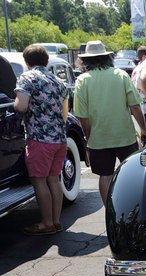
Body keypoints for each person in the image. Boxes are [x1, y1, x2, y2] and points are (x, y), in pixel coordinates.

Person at [73, 40, 146, 206]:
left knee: (105, 176)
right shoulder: (120, 75)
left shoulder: (82, 81)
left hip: (98, 139)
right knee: (129, 174)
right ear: (107, 57)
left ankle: (110, 212)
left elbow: (83, 117)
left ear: (85, 61)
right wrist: (143, 129)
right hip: (125, 137)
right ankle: (130, 208)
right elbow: (135, 106)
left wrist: (88, 136)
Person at [14, 45, 69, 235]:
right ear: (46, 61)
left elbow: (21, 107)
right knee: (54, 180)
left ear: (27, 61)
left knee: (39, 182)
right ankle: (55, 221)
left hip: (39, 138)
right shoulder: (58, 81)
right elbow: (64, 113)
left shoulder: (27, 78)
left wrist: (15, 101)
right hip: (59, 139)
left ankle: (45, 223)